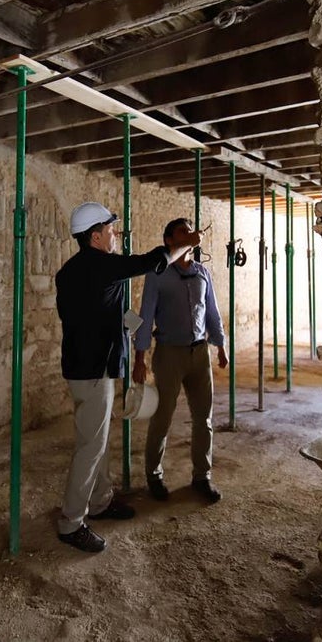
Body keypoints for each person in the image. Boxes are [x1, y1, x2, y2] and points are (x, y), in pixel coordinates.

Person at [54, 201, 202, 553]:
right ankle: (71, 522)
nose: (115, 234)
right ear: (95, 236)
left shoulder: (73, 271)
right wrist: (185, 244)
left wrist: (139, 332)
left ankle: (101, 501)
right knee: (90, 447)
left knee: (97, 441)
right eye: (110, 229)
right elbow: (149, 261)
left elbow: (108, 312)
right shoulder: (99, 266)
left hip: (83, 369)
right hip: (93, 373)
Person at [132, 217, 228, 505]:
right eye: (182, 231)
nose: (189, 233)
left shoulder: (202, 272)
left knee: (204, 418)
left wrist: (220, 345)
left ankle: (202, 477)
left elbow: (211, 310)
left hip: (199, 354)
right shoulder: (158, 274)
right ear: (169, 242)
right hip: (169, 353)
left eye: (190, 229)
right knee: (162, 416)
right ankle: (154, 475)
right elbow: (145, 314)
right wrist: (140, 357)